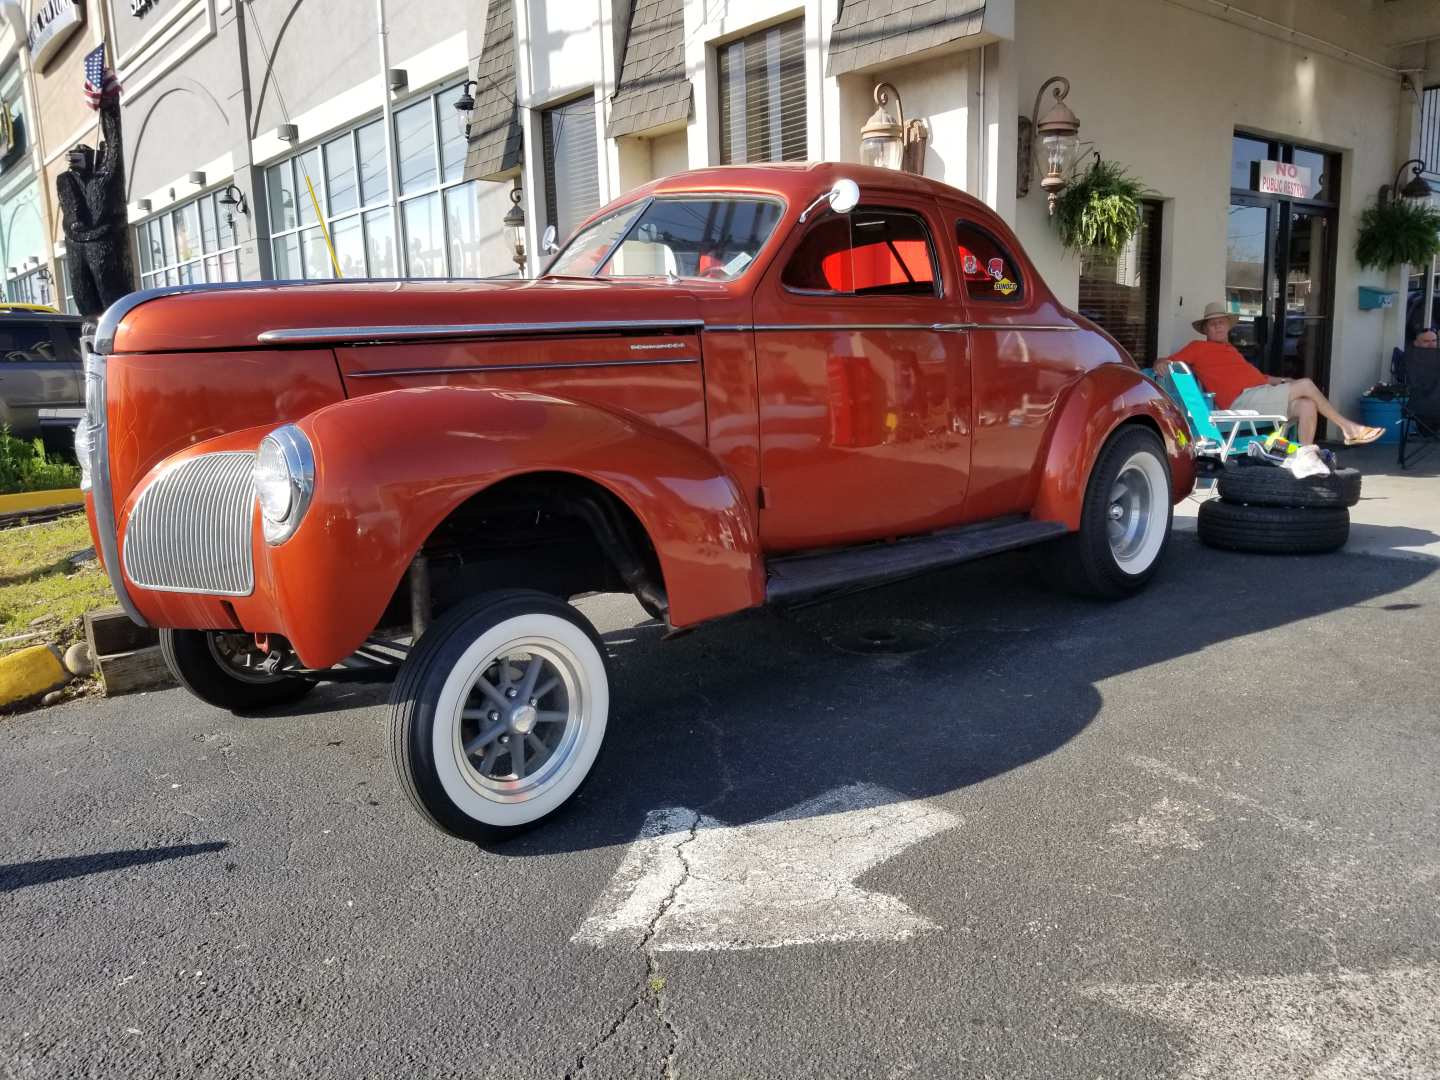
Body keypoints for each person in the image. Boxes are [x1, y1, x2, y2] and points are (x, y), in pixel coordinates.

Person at [1158, 302, 1383, 446]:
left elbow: (1262, 378)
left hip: (1260, 393)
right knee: (1306, 385)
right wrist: (1160, 362)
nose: (1218, 327)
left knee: (1307, 404)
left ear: (1228, 326)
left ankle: (1305, 456)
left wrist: (1286, 381)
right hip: (1241, 400)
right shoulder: (1198, 347)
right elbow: (1165, 362)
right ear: (1205, 329)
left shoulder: (1231, 350)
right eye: (1213, 324)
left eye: (1222, 323)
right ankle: (1348, 428)